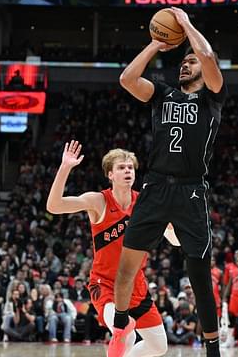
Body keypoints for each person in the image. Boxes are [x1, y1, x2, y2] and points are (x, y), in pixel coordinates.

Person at [111, 6, 226, 357]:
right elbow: (127, 80)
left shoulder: (212, 97)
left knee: (199, 275)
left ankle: (212, 348)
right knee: (126, 267)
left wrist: (187, 24)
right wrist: (154, 44)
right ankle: (119, 328)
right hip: (156, 186)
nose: (185, 64)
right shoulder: (162, 94)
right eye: (183, 61)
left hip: (191, 189)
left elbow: (206, 54)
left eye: (189, 62)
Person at [46, 141, 167, 357]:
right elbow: (54, 206)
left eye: (130, 167)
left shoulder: (145, 203)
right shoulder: (99, 201)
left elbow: (173, 238)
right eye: (121, 167)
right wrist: (65, 167)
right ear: (110, 174)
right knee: (125, 331)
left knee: (159, 347)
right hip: (106, 285)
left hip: (136, 286)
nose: (127, 171)